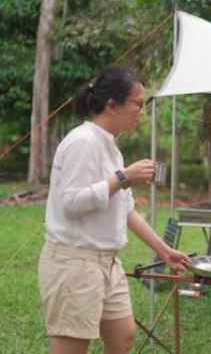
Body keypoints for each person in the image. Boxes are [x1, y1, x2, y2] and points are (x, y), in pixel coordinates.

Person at [38, 66, 189, 354]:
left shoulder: (111, 147)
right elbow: (71, 203)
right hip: (75, 262)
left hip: (107, 263)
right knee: (71, 345)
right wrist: (123, 177)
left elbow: (127, 210)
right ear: (112, 105)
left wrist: (164, 250)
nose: (141, 111)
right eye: (138, 103)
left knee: (123, 335)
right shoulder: (83, 142)